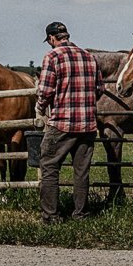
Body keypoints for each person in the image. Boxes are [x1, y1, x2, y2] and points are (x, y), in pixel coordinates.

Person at [35, 21, 102, 224]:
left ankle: (51, 215)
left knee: (48, 165)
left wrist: (40, 106)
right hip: (88, 123)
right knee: (81, 170)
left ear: (52, 38)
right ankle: (80, 213)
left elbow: (46, 90)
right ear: (67, 36)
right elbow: (99, 89)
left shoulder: (52, 56)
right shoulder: (89, 56)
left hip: (62, 123)